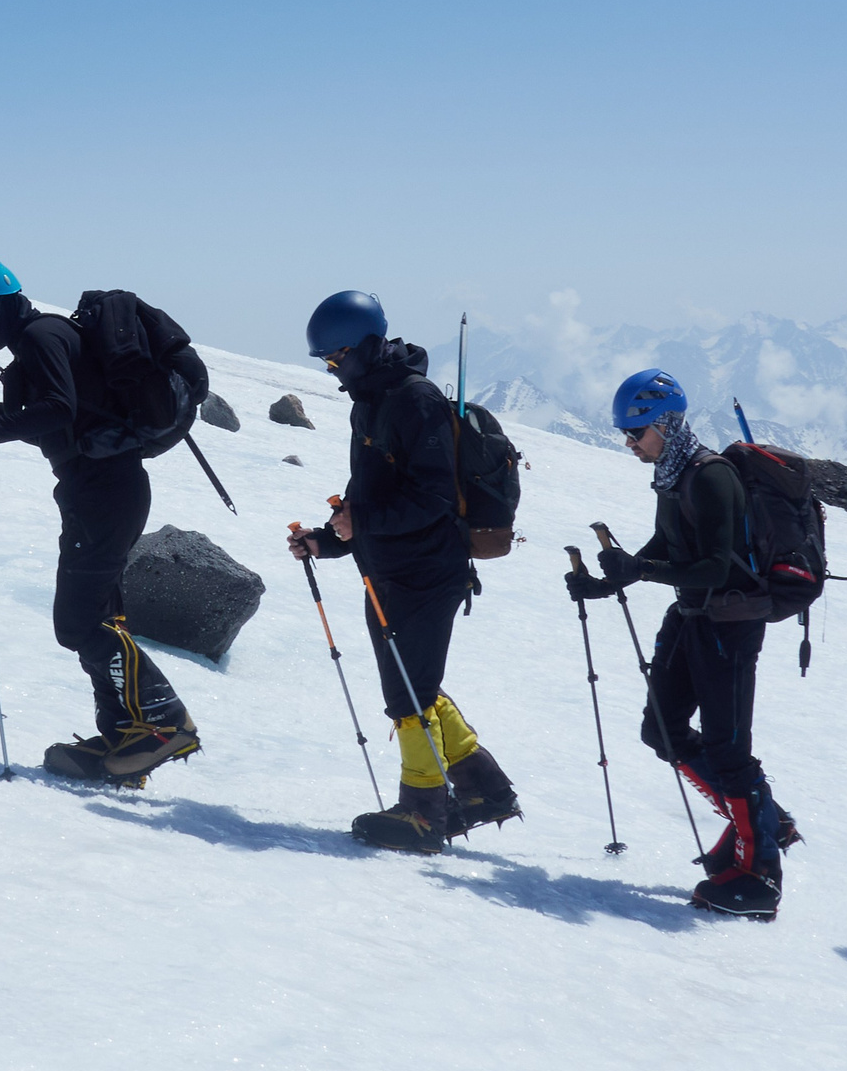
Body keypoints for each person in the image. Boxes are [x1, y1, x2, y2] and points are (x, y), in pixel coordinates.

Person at [0, 259, 199, 785]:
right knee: (98, 614)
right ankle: (127, 738)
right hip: (103, 489)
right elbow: (64, 424)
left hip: (104, 492)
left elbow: (57, 410)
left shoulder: (39, 336)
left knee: (77, 620)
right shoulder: (46, 336)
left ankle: (163, 722)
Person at [288, 292, 520, 855]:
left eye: (337, 356)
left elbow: (434, 499)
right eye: (326, 360)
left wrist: (358, 520)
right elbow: (373, 496)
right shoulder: (370, 400)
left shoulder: (412, 401)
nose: (333, 368)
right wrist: (329, 537)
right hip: (391, 571)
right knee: (415, 684)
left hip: (425, 572)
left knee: (406, 695)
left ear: (368, 345)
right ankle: (483, 790)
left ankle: (422, 812)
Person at [563, 369, 795, 918]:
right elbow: (669, 543)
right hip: (690, 617)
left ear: (665, 424)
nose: (629, 442)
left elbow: (715, 565)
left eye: (636, 431)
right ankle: (762, 823)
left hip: (729, 625)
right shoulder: (673, 475)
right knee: (660, 729)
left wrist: (638, 569)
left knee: (727, 749)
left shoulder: (711, 477)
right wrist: (607, 582)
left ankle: (760, 874)